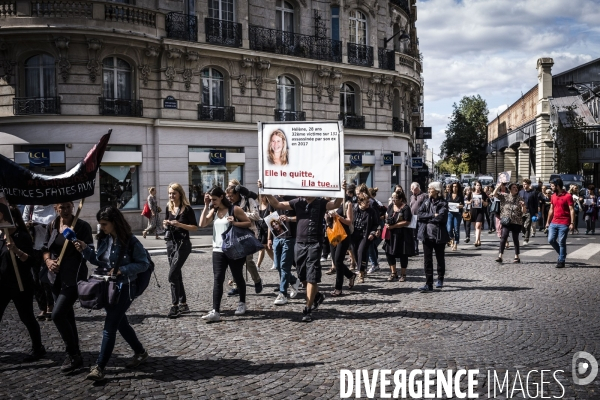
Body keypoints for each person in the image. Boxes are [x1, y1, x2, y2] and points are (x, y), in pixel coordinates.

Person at [74, 206, 150, 381]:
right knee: (120, 323)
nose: (101, 227)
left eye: (104, 224)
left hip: (125, 288)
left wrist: (122, 270)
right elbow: (98, 260)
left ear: (115, 223)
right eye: (100, 224)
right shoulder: (103, 239)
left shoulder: (130, 241)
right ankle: (140, 352)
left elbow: (143, 264)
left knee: (110, 326)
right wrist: (85, 249)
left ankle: (99, 367)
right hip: (107, 288)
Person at [262, 182, 345, 322]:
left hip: (315, 243)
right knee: (302, 276)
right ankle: (317, 296)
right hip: (299, 243)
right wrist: (266, 191)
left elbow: (336, 204)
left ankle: (308, 308)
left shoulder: (321, 202)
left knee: (312, 275)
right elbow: (278, 205)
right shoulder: (298, 202)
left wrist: (342, 189)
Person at [42, 202, 93, 372]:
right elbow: (45, 249)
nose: (64, 210)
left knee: (57, 315)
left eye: (67, 207)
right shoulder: (52, 225)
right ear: (56, 208)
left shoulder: (82, 226)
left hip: (74, 278)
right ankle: (75, 354)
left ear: (73, 207)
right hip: (55, 278)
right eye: (61, 208)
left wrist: (82, 246)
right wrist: (49, 261)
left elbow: (91, 251)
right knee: (67, 316)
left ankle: (72, 353)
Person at [0, 205, 46, 362]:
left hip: (20, 284)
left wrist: (16, 250)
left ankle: (38, 347)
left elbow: (31, 261)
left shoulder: (22, 236)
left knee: (26, 317)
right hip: (2, 285)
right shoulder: (0, 236)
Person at [199, 186, 252, 322]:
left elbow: (248, 223)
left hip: (233, 248)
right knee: (218, 279)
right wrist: (206, 205)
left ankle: (242, 303)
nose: (213, 202)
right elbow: (202, 224)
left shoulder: (234, 209)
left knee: (237, 276)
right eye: (211, 200)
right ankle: (216, 311)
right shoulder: (213, 210)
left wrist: (234, 222)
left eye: (214, 199)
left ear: (222, 197)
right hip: (217, 249)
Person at [163, 183, 198, 319]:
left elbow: (195, 227)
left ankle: (175, 306)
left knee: (172, 275)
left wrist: (179, 224)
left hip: (183, 244)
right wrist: (165, 223)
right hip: (170, 243)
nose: (171, 196)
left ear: (180, 194)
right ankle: (184, 303)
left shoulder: (187, 209)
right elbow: (165, 221)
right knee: (177, 274)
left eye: (174, 193)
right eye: (170, 193)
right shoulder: (169, 207)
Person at [225, 184, 264, 296]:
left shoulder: (248, 201)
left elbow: (256, 216)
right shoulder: (228, 204)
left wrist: (240, 213)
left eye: (231, 196)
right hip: (233, 234)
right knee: (234, 260)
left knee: (248, 260)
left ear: (238, 194)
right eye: (228, 196)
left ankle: (257, 280)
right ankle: (236, 286)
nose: (230, 198)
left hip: (248, 234)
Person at [22, 204, 56, 320]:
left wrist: (46, 226)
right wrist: (29, 224)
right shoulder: (30, 206)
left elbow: (58, 225)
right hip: (34, 247)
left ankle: (50, 305)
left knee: (46, 279)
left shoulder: (54, 206)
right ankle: (42, 307)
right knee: (35, 279)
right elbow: (23, 223)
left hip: (49, 248)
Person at [417, 182, 449, 292]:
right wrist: (431, 216)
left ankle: (440, 278)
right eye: (429, 188)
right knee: (427, 260)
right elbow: (419, 215)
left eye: (430, 188)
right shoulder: (426, 202)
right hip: (426, 234)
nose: (429, 190)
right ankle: (428, 283)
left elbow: (441, 218)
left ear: (437, 190)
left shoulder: (443, 203)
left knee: (440, 258)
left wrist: (427, 218)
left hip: (439, 235)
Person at [268, 195, 300, 304]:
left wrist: (289, 219)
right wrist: (269, 238)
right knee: (277, 265)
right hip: (277, 237)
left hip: (290, 237)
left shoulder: (293, 199)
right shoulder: (274, 199)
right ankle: (294, 281)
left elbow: (300, 216)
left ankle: (283, 293)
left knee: (284, 266)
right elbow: (270, 218)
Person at [383, 190, 415, 282]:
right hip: (391, 235)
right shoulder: (390, 206)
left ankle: (403, 274)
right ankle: (393, 273)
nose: (393, 200)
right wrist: (387, 224)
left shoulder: (406, 208)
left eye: (395, 198)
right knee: (389, 253)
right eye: (392, 198)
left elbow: (407, 221)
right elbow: (386, 216)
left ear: (401, 199)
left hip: (402, 235)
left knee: (403, 254)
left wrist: (394, 226)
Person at [329, 193, 355, 296]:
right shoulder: (332, 203)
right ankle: (350, 275)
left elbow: (349, 221)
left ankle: (338, 288)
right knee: (336, 261)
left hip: (343, 234)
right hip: (334, 233)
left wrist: (338, 216)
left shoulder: (347, 203)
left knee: (339, 260)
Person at [492, 182, 526, 264]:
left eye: (516, 187)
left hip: (516, 221)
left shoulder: (520, 198)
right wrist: (498, 186)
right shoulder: (505, 196)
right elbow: (494, 194)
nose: (516, 189)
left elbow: (523, 212)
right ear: (510, 189)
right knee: (503, 237)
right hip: (506, 220)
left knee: (515, 239)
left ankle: (517, 256)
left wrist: (523, 206)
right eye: (514, 187)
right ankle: (500, 255)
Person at [350, 192, 380, 283]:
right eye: (366, 202)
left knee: (361, 251)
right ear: (360, 203)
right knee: (355, 253)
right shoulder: (354, 208)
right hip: (354, 235)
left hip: (365, 235)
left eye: (369, 202)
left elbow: (376, 224)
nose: (368, 204)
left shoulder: (371, 211)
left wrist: (372, 233)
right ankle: (361, 269)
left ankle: (361, 274)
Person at [546, 178, 575, 269]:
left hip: (564, 223)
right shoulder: (553, 196)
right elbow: (551, 209)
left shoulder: (568, 196)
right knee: (551, 240)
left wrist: (572, 223)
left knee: (562, 242)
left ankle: (561, 260)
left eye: (552, 186)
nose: (551, 187)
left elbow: (572, 210)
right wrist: (547, 222)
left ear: (558, 186)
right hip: (554, 222)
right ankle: (562, 253)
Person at [366, 187, 385, 274]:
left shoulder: (373, 202)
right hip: (376, 226)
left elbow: (378, 216)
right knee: (371, 245)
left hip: (378, 226)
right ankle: (373, 263)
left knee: (371, 245)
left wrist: (378, 227)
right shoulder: (372, 202)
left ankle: (374, 264)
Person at [518, 179, 540, 244]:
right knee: (521, 225)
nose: (524, 185)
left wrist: (536, 212)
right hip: (521, 211)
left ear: (529, 185)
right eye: (523, 184)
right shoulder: (521, 192)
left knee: (527, 225)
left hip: (529, 211)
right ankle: (525, 234)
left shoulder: (533, 193)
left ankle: (526, 239)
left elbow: (536, 203)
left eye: (525, 184)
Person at [256, 196, 274, 270]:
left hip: (267, 230)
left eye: (263, 196)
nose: (261, 198)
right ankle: (276, 261)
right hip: (260, 230)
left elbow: (272, 218)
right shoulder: (257, 207)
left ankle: (258, 265)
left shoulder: (270, 206)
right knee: (268, 248)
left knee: (262, 247)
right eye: (260, 197)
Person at [409, 182, 427, 255]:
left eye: (414, 189)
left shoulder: (424, 196)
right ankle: (415, 249)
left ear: (418, 188)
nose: (413, 190)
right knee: (414, 234)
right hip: (413, 217)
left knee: (421, 234)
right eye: (412, 189)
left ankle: (426, 248)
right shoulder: (411, 197)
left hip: (421, 218)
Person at [445, 182, 463, 251]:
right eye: (453, 186)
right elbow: (446, 203)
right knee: (449, 229)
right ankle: (452, 239)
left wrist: (460, 206)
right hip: (450, 213)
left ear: (458, 188)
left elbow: (463, 204)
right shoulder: (449, 195)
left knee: (456, 229)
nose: (454, 188)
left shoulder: (460, 195)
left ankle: (455, 243)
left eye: (456, 187)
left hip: (457, 214)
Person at [470, 180, 489, 247]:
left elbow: (486, 204)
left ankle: (476, 241)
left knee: (478, 226)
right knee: (476, 227)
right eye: (477, 185)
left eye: (480, 185)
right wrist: (470, 201)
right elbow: (466, 202)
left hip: (480, 211)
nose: (479, 186)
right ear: (474, 186)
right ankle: (479, 240)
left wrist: (483, 202)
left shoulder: (483, 194)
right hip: (473, 211)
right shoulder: (471, 193)